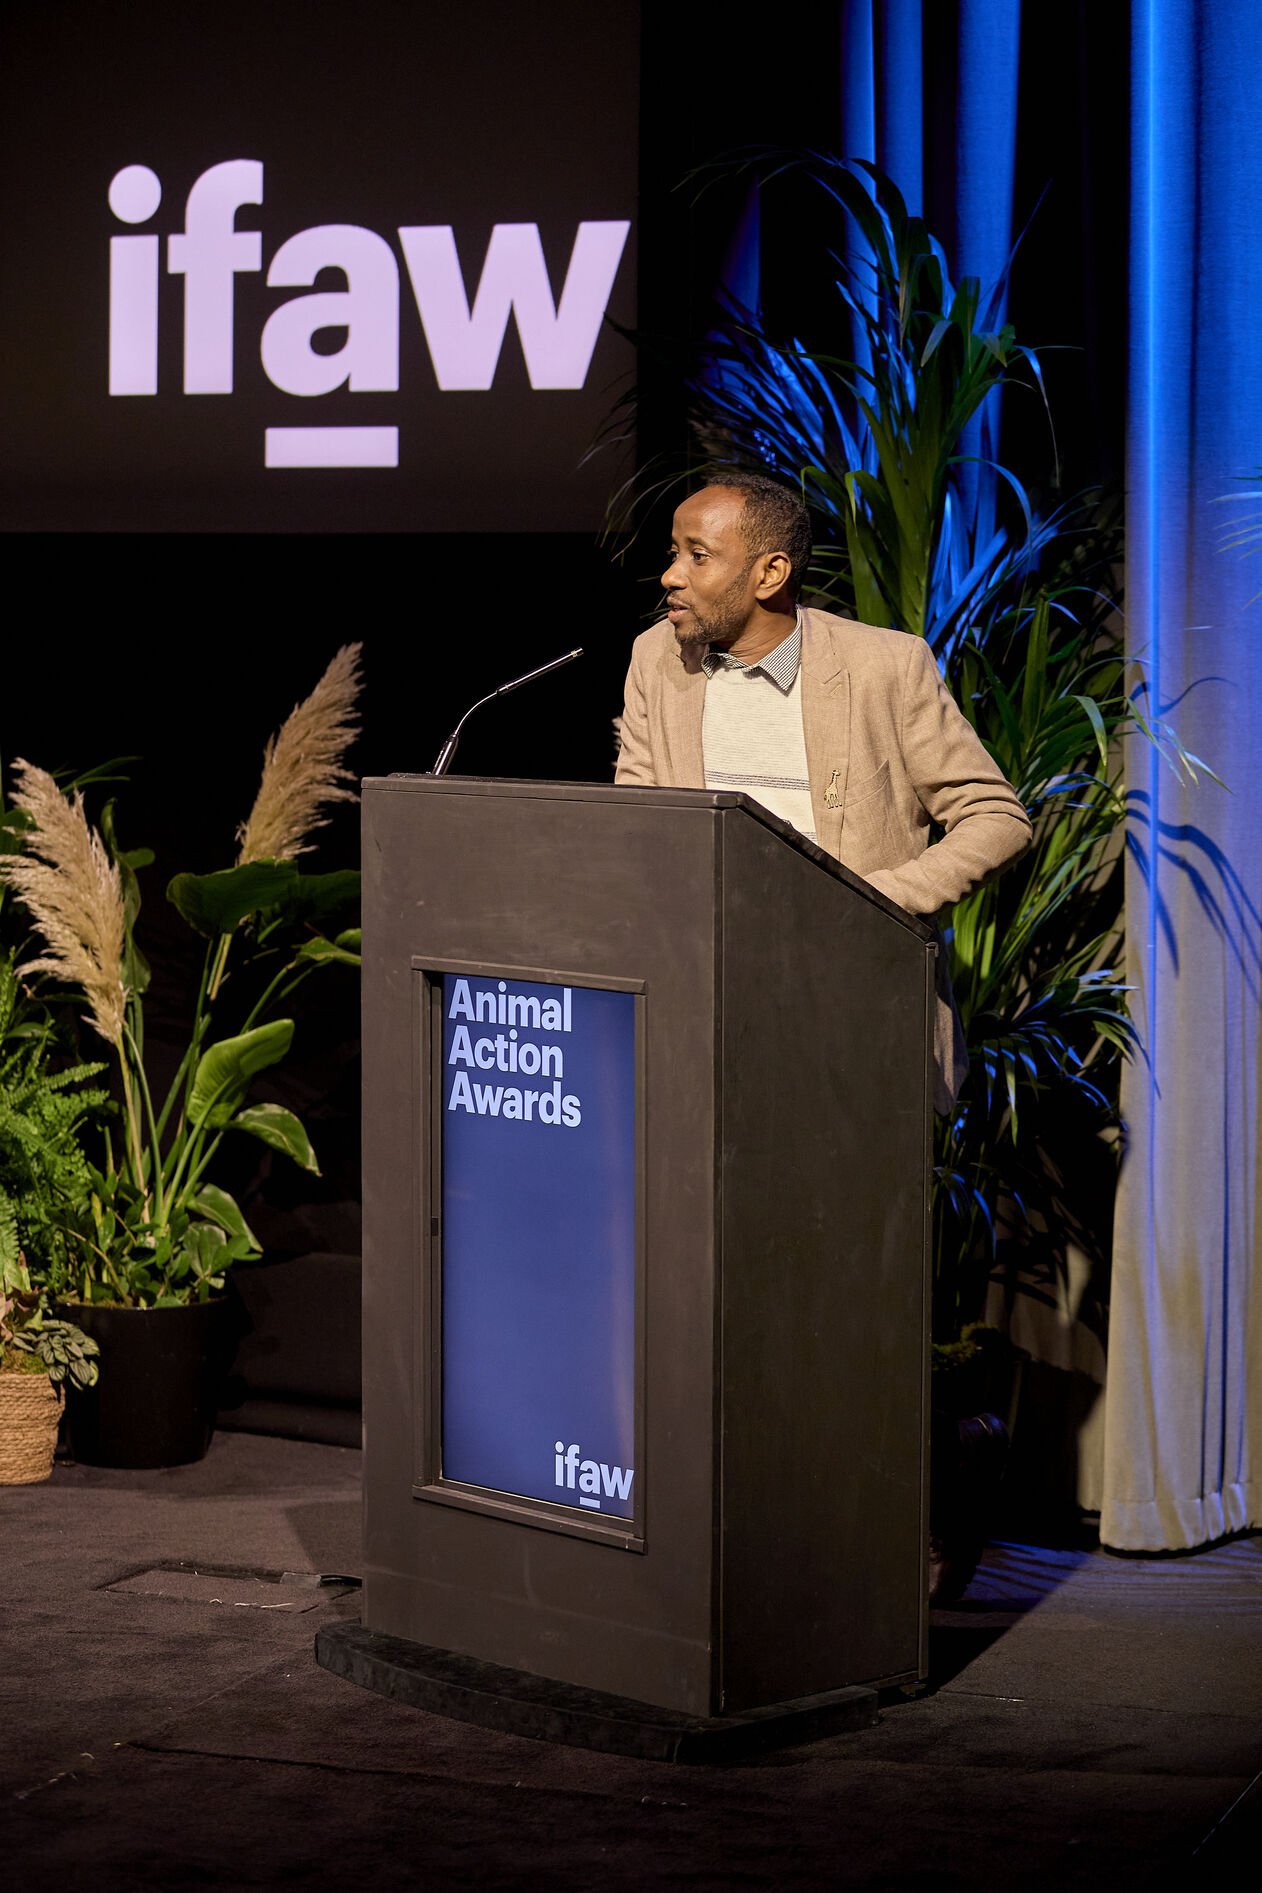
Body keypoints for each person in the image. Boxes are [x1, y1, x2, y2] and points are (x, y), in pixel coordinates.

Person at [613, 472, 1032, 1111]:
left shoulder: (884, 667)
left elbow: (996, 817)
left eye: (697, 556)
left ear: (770, 573)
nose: (672, 575)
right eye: (675, 554)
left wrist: (877, 903)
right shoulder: (657, 658)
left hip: (852, 1010)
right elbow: (635, 822)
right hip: (702, 1008)